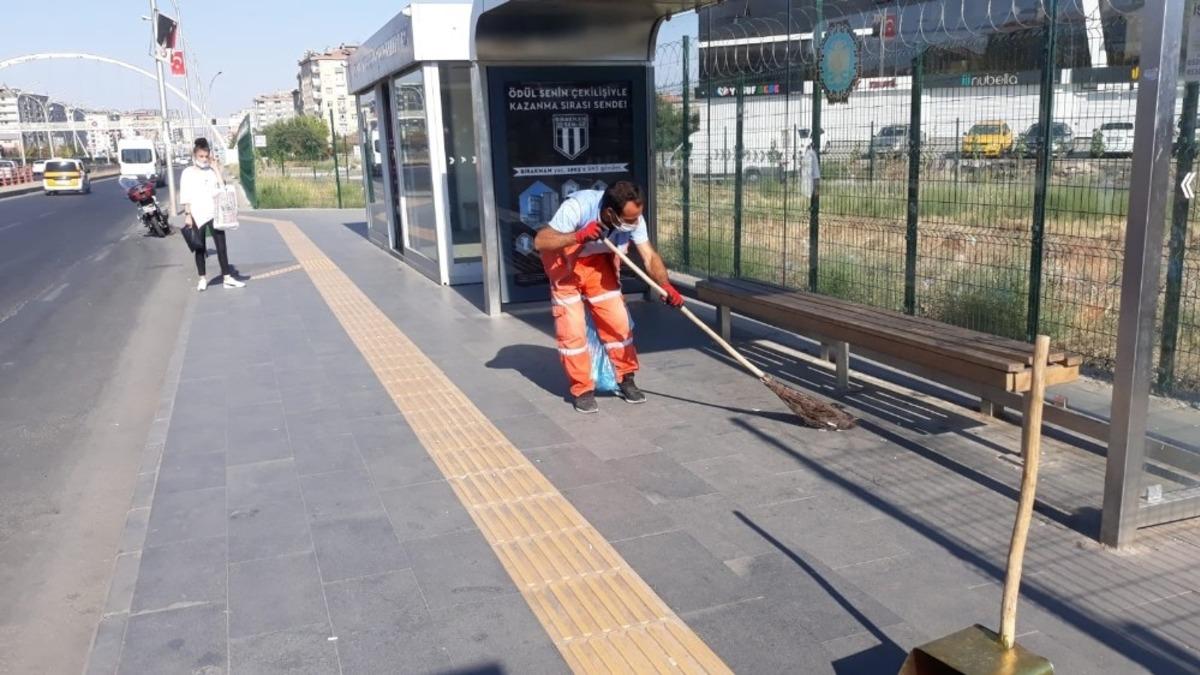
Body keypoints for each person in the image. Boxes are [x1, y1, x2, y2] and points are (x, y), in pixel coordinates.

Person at [534, 181, 684, 414]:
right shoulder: (579, 206)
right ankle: (582, 389)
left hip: (599, 265)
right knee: (572, 329)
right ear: (610, 213)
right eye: (630, 219)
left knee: (618, 322)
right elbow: (541, 241)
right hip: (565, 264)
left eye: (637, 218)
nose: (634, 224)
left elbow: (649, 256)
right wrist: (578, 235)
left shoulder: (634, 218)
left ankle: (625, 378)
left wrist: (665, 286)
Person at [179, 138, 244, 291]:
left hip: (215, 214)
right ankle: (202, 278)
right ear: (195, 155)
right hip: (196, 214)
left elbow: (223, 188)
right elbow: (185, 195)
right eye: (201, 156)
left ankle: (227, 277)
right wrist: (188, 214)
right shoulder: (187, 173)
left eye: (206, 156)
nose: (204, 159)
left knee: (222, 246)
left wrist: (216, 168)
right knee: (199, 247)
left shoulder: (211, 171)